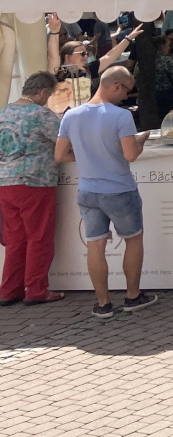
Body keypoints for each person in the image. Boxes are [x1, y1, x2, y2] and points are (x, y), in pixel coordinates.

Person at [54, 67, 158, 318]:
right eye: (126, 90)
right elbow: (130, 155)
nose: (126, 96)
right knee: (133, 239)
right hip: (120, 189)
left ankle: (103, 304)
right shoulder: (121, 116)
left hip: (88, 189)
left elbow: (59, 155)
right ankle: (133, 296)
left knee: (95, 245)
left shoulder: (71, 116)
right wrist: (141, 141)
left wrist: (90, 157)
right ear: (116, 86)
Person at [0, 71, 63, 306]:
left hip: (5, 182)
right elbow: (65, 141)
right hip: (35, 181)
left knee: (15, 238)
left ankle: (8, 290)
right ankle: (36, 289)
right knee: (39, 236)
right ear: (43, 92)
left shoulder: (4, 112)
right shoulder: (41, 114)